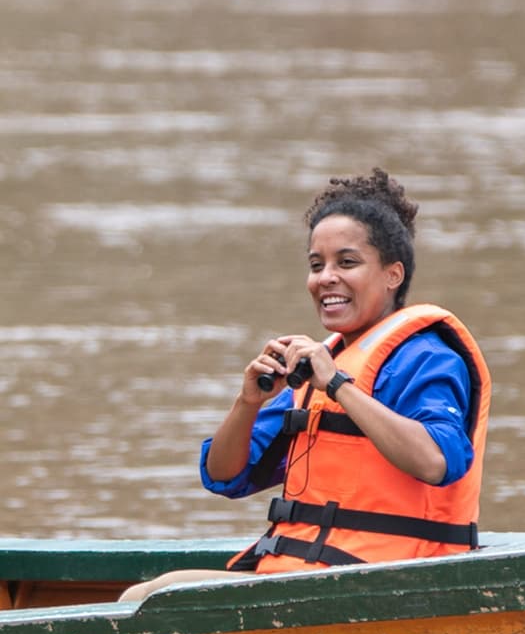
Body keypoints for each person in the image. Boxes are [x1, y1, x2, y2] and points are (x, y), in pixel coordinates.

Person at [119, 168, 490, 602]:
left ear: (393, 275)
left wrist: (338, 385)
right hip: (305, 577)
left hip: (394, 585)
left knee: (148, 600)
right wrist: (248, 401)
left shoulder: (427, 358)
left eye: (346, 263)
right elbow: (223, 476)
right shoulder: (315, 370)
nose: (326, 278)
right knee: (145, 595)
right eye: (317, 266)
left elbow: (436, 461)